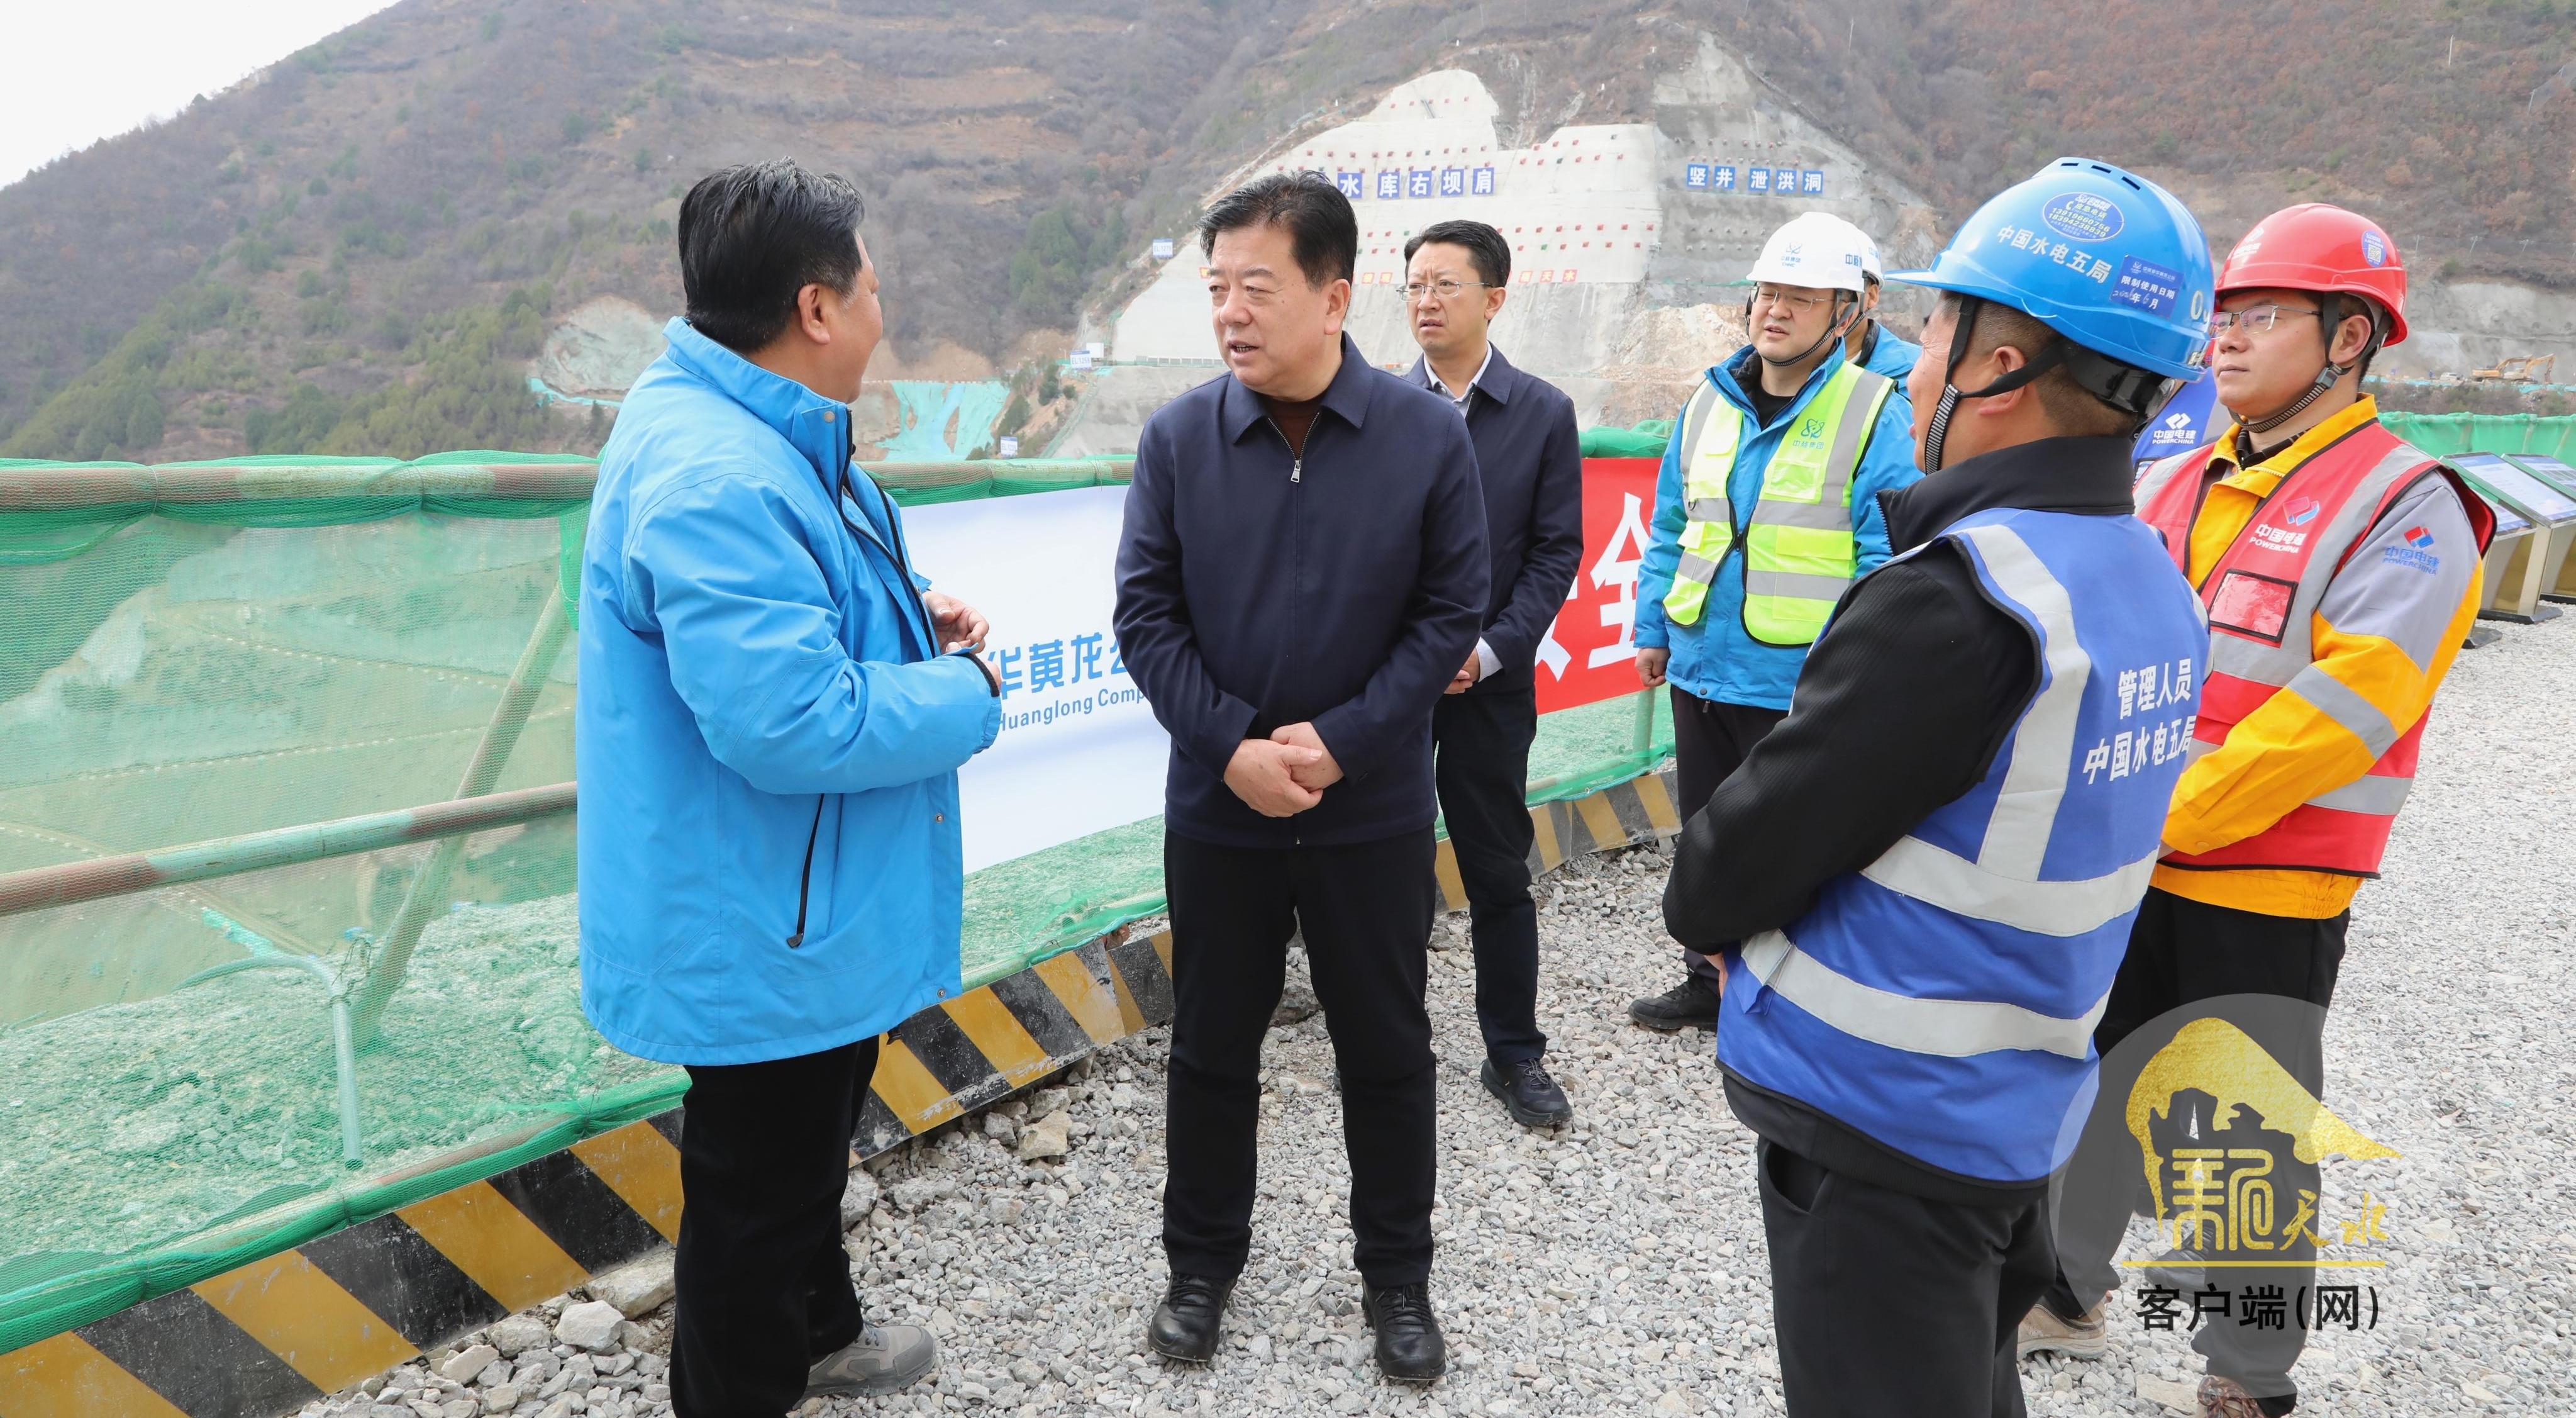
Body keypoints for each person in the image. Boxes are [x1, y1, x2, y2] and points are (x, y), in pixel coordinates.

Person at [1663, 157, 2218, 1417]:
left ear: (1998, 367)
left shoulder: (1957, 600)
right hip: (2015, 1102)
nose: (1913, 369)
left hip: (1884, 1128)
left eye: (1933, 331)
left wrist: (1715, 907)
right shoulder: (2144, 577)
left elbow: (1722, 870)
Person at [2022, 204, 2492, 1418]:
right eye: (2221, 318)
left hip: (2268, 875)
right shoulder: (2174, 476)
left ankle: (2249, 1366)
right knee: (2098, 1082)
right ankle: (2066, 1288)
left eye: (2262, 316)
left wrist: (2159, 808)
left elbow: (2351, 703)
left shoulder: (2407, 502)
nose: (2224, 341)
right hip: (2134, 857)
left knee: (2246, 1129)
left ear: (2349, 338)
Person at [575, 160, 1004, 1416]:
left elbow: (789, 614)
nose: (882, 308)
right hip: (762, 915)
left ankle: (821, 1334)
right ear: (816, 308)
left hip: (792, 895)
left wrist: (904, 613)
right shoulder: (720, 472)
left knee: (800, 1153)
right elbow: (789, 719)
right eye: (870, 287)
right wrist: (968, 689)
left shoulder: (754, 424)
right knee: (754, 1205)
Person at [1113, 171, 1488, 1382]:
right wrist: (1229, 746)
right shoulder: (1180, 438)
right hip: (1218, 809)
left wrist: (1342, 742)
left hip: (1368, 808)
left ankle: (1399, 1278)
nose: (1230, 311)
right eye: (1216, 287)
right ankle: (1199, 1266)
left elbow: (1449, 613)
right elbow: (1145, 615)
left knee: (1386, 1046)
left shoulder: (1424, 436)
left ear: (1333, 297)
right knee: (1211, 1046)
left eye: (1256, 287)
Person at [1625, 209, 1919, 1031]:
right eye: (1766, 294)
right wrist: (1653, 627)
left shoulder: (1874, 408)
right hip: (1700, 663)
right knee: (1704, 833)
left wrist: (1853, 668)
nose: (1774, 311)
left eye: (1801, 297)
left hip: (1799, 677)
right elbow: (1673, 525)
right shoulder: (1706, 402)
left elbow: (1883, 554)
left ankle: (1788, 994)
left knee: (1793, 839)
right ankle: (1708, 978)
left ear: (1845, 312)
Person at [1399, 218, 1585, 1129]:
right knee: (1388, 867)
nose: (1426, 301)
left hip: (1491, 682)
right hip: (1393, 689)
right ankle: (1390, 1043)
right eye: (1415, 286)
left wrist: (1486, 651)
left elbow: (1554, 553)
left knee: (1497, 870)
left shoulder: (1542, 412)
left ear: (1495, 298)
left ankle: (1513, 1052)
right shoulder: (1380, 407)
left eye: (1446, 284)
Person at [1839, 222, 1923, 381]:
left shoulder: (1914, 371)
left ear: (1871, 296)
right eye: (1801, 297)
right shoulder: (1788, 366)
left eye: (1840, 292)